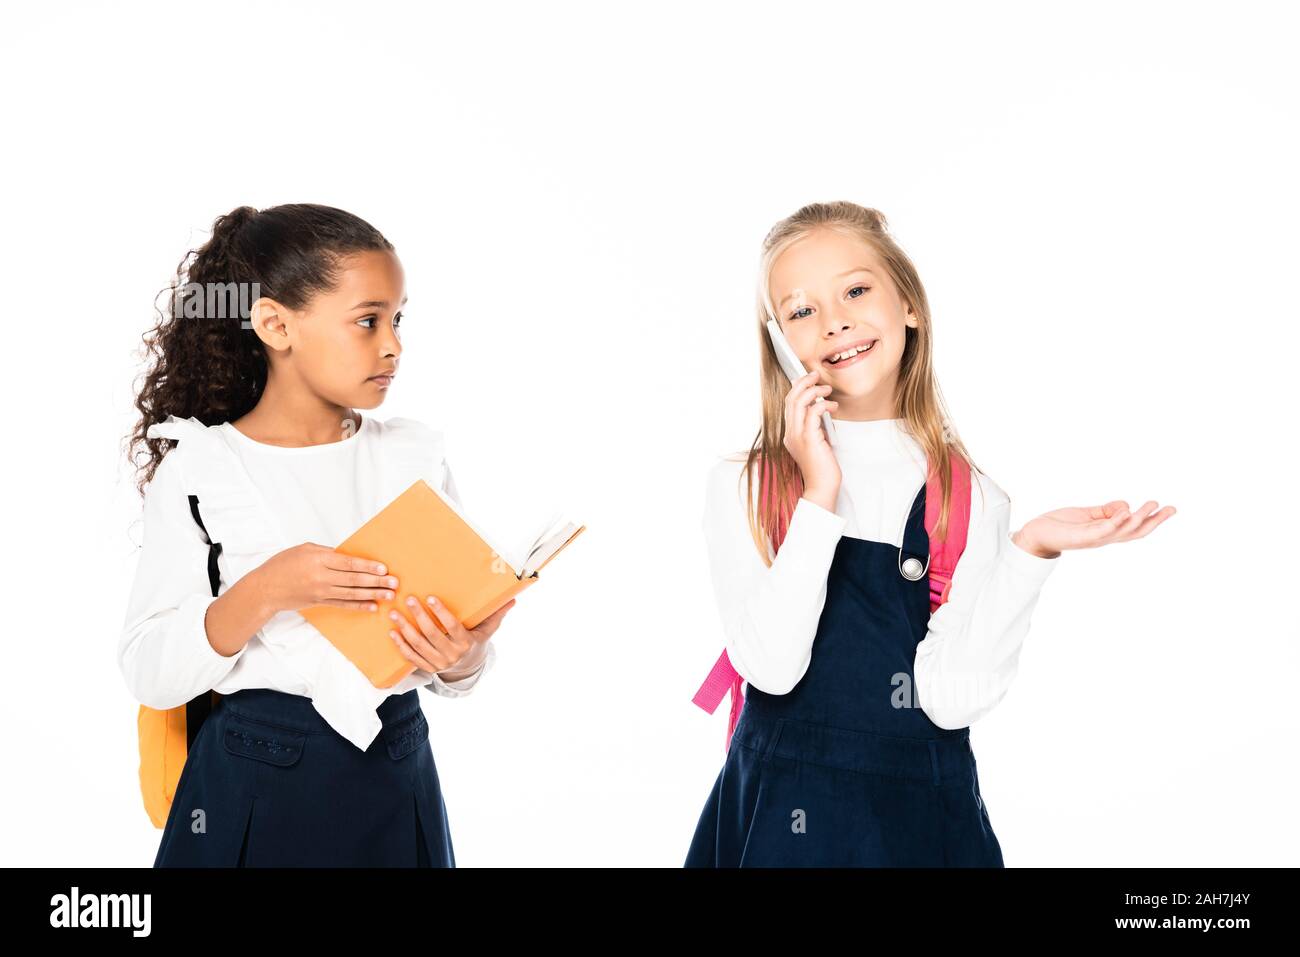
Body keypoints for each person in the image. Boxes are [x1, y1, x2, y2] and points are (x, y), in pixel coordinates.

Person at [684, 201, 1175, 866]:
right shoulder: (747, 485)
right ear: (778, 341)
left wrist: (1028, 551)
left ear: (908, 304)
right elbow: (772, 669)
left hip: (917, 832)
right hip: (777, 826)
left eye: (856, 290)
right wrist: (820, 494)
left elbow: (948, 702)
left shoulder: (973, 499)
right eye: (801, 311)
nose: (836, 321)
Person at [120, 203, 515, 866]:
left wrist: (461, 656)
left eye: (397, 319)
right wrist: (268, 589)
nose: (393, 345)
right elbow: (148, 666)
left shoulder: (411, 459)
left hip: (397, 769)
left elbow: (456, 663)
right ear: (275, 324)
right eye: (367, 321)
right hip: (250, 779)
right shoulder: (203, 469)